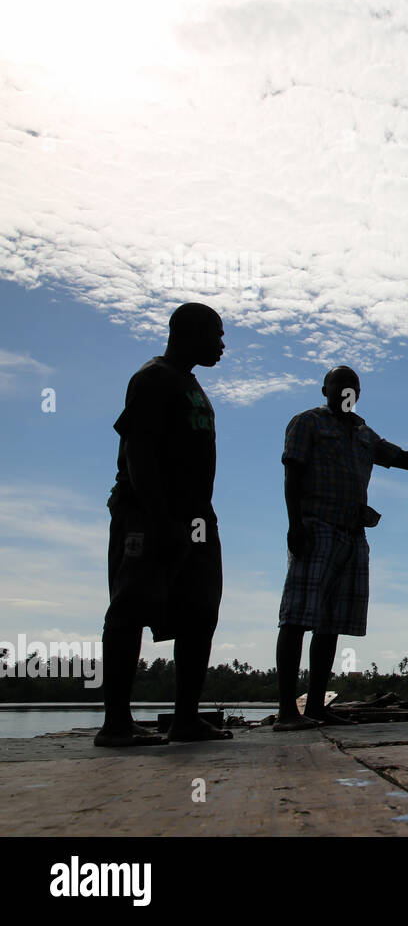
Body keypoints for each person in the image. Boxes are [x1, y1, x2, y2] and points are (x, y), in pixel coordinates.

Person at [273, 366, 408, 730]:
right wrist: (294, 526)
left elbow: (407, 461)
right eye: (340, 384)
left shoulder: (364, 434)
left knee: (330, 623)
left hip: (353, 534)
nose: (348, 390)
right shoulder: (307, 423)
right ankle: (288, 711)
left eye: (354, 386)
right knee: (297, 618)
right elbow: (292, 474)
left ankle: (317, 706)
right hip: (315, 527)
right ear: (325, 389)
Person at [97, 302, 230, 746]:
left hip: (196, 517)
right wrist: (160, 518)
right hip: (148, 514)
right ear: (190, 332)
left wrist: (193, 521)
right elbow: (139, 453)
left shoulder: (190, 384)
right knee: (131, 608)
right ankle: (115, 724)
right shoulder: (153, 378)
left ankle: (185, 720)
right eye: (217, 335)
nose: (222, 345)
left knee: (199, 610)